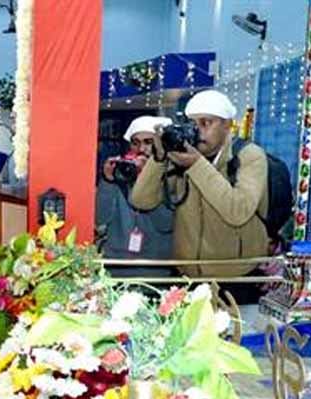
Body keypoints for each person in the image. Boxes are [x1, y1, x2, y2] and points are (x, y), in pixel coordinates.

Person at [130, 90, 269, 299]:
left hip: (235, 278)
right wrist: (158, 159)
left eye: (206, 123)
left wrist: (196, 165)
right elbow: (141, 201)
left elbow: (238, 211)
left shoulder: (249, 155)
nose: (198, 131)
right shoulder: (182, 155)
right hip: (186, 276)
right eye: (192, 124)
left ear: (227, 125)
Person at [96, 116, 174, 277]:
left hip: (156, 266)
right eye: (135, 142)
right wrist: (107, 181)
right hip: (116, 265)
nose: (141, 148)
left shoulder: (172, 176)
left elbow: (166, 223)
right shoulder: (121, 172)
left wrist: (148, 180)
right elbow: (100, 218)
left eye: (148, 142)